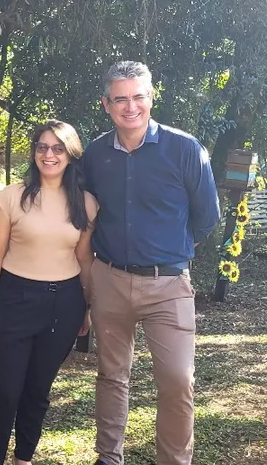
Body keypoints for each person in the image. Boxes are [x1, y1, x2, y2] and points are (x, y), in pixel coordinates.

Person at [83, 62, 220, 465]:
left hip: (169, 286)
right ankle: (108, 457)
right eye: (121, 98)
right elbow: (87, 212)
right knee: (111, 375)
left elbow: (207, 216)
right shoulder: (95, 154)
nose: (131, 106)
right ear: (106, 105)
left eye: (139, 96)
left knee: (178, 380)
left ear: (151, 97)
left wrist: (170, 248)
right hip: (109, 279)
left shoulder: (184, 149)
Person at [0, 120, 97, 465]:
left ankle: (24, 458)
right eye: (42, 147)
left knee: (37, 392)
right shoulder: (11, 196)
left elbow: (84, 257)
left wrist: (87, 307)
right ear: (34, 153)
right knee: (4, 391)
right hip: (14, 299)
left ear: (71, 155)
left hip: (65, 303)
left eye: (58, 148)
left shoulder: (87, 204)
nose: (49, 154)